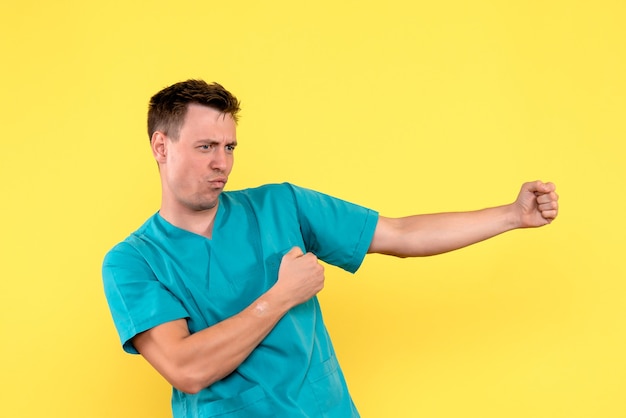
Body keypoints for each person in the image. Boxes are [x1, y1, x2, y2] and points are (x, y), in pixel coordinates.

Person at [102, 79, 559, 418]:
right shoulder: (133, 261)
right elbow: (187, 369)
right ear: (161, 147)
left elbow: (400, 234)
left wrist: (511, 216)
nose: (222, 163)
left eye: (229, 146)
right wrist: (282, 296)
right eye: (205, 146)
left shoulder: (282, 204)